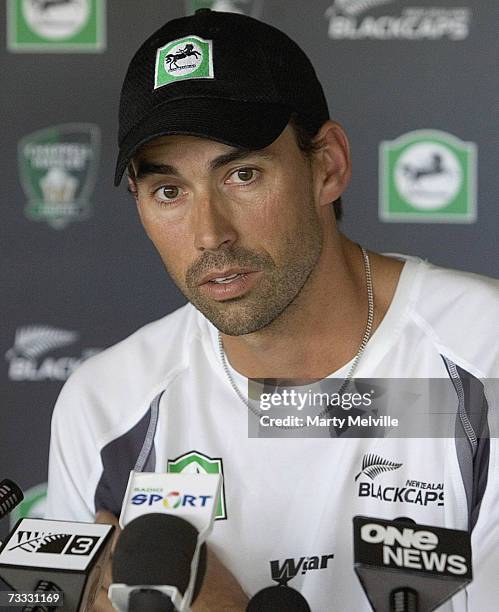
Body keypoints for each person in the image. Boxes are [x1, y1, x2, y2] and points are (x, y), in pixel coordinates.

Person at [45, 8, 499, 612]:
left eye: (242, 173)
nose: (209, 234)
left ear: (327, 165)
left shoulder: (485, 358)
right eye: (169, 191)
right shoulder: (103, 406)